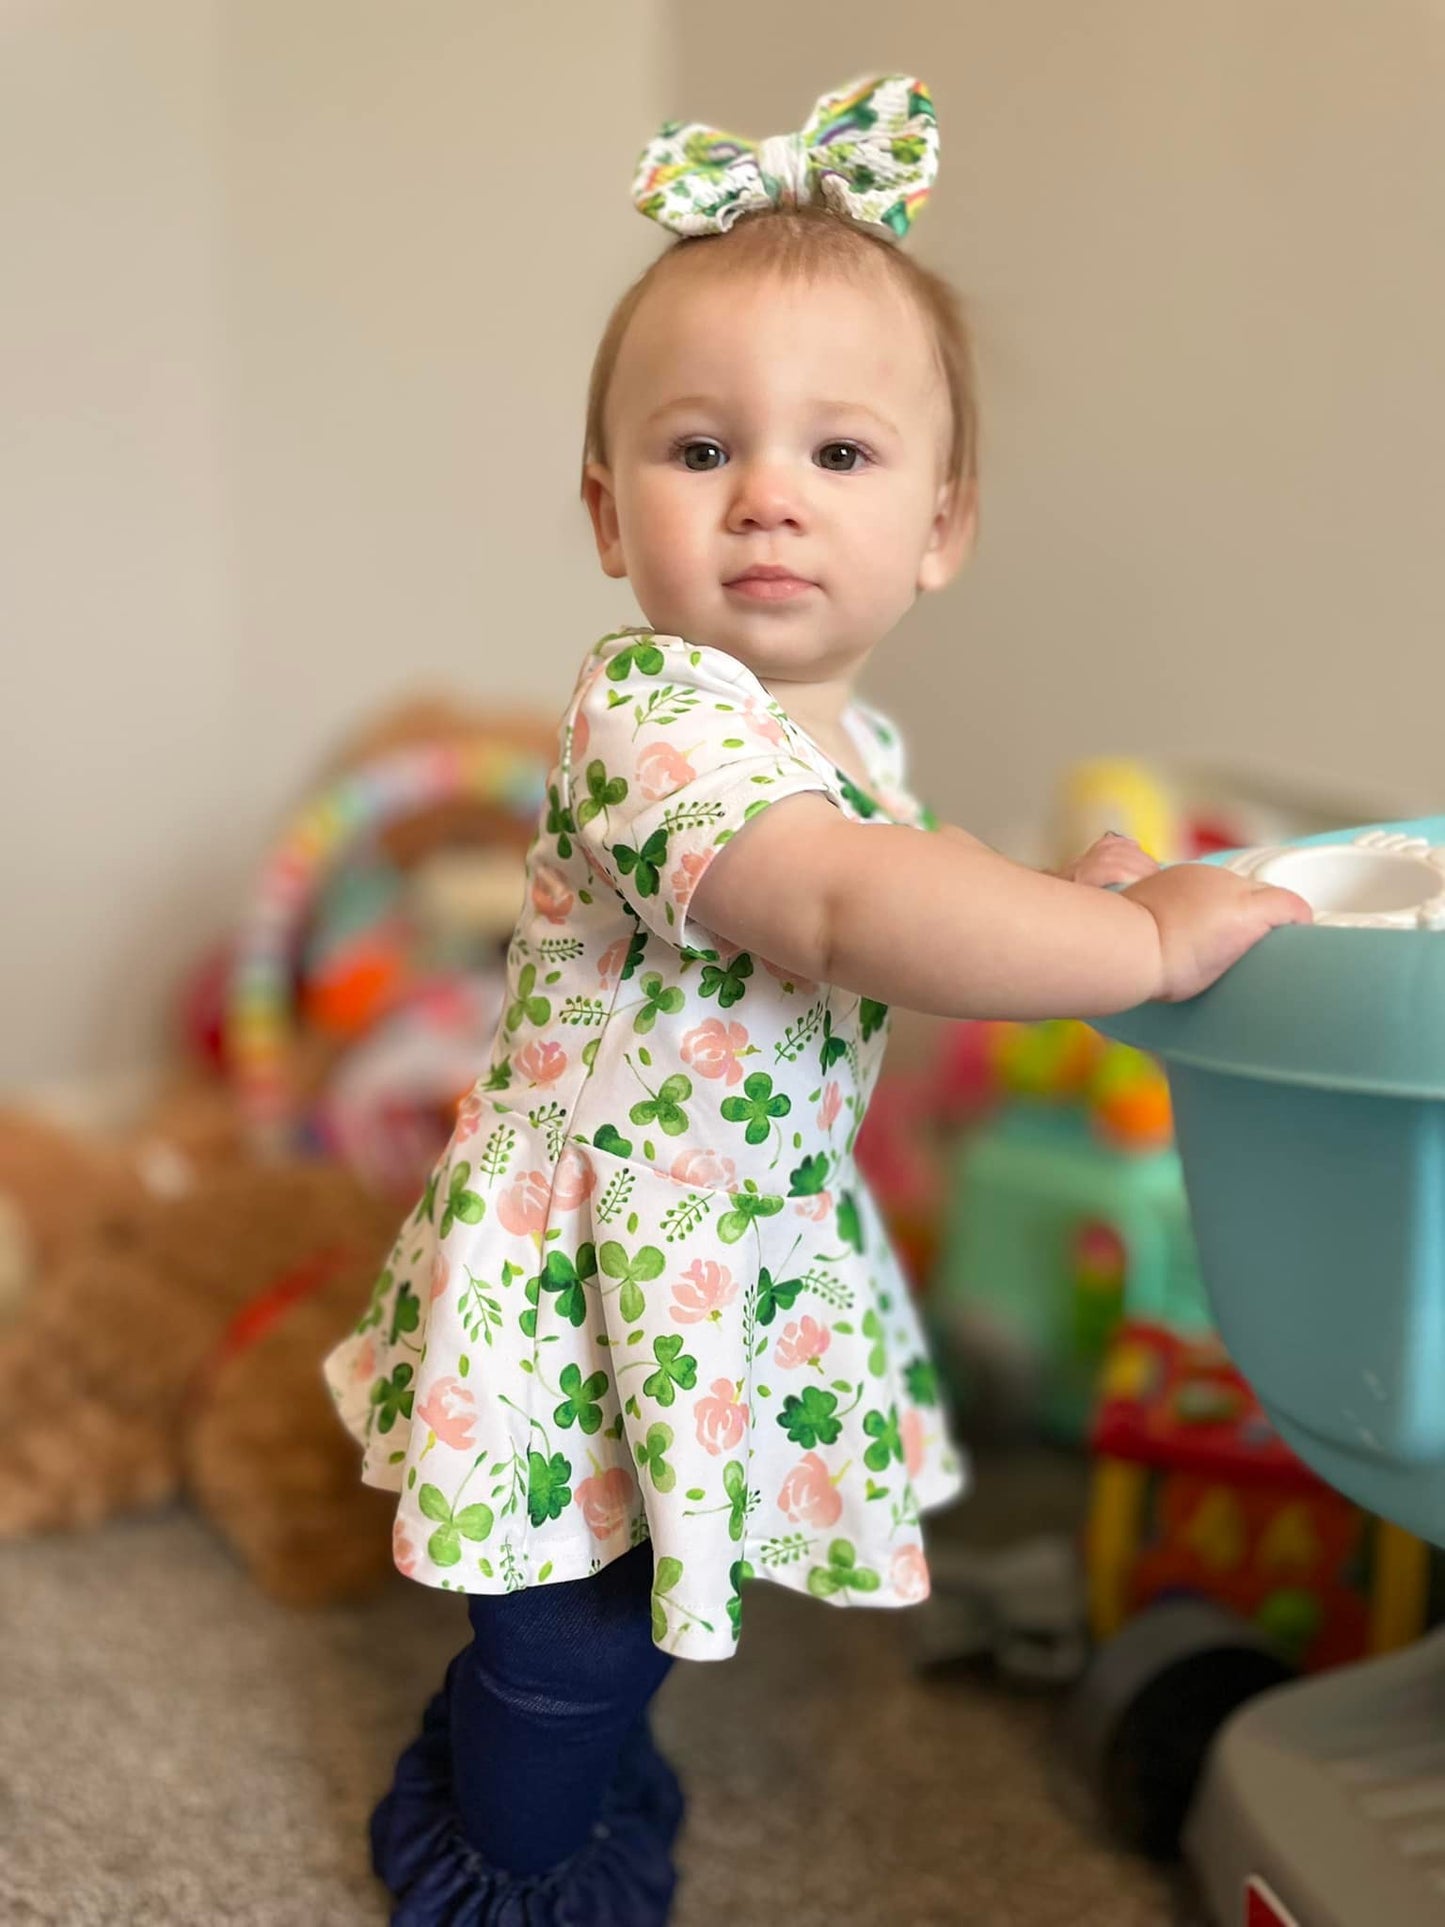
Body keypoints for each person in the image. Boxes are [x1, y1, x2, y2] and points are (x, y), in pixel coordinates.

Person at [325, 74, 1310, 1925]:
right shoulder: (649, 713)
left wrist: (1052, 901)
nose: (768, 493)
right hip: (586, 1258)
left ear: (939, 527)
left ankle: (577, 1756)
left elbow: (919, 879)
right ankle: (499, 1860)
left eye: (838, 458)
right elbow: (849, 907)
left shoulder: (854, 745)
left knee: (639, 1604)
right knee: (565, 1638)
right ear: (611, 516)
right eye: (702, 453)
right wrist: (1145, 947)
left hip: (717, 1251)